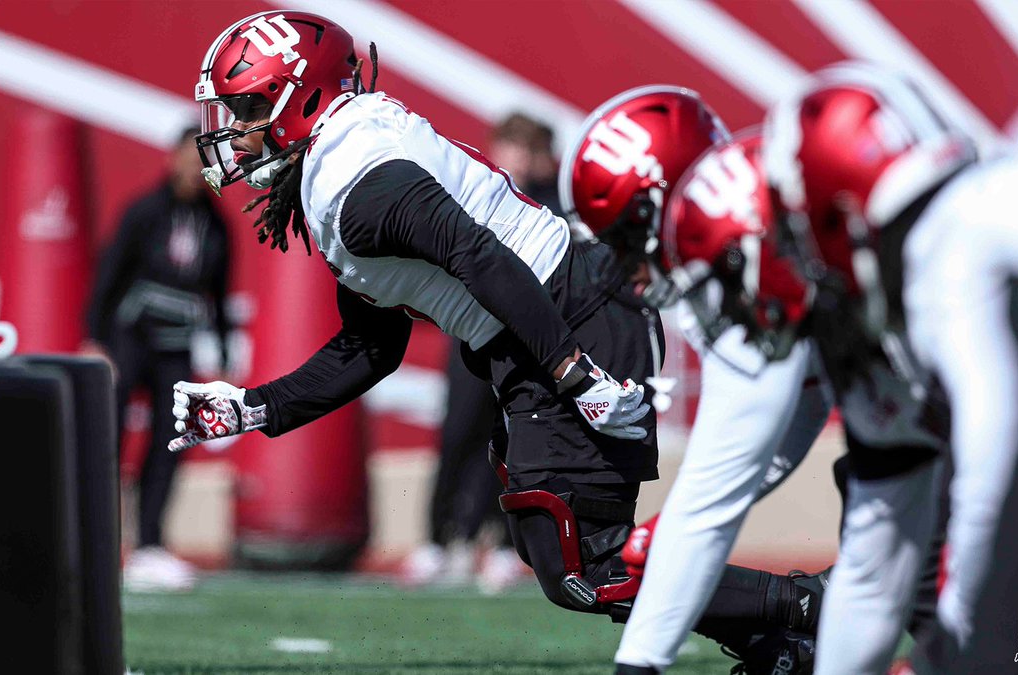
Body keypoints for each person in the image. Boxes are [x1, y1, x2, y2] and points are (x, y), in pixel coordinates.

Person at [171, 15, 821, 668]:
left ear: (304, 96)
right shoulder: (346, 155)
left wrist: (574, 371)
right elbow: (372, 344)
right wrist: (254, 406)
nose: (235, 129)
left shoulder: (357, 187)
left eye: (249, 107)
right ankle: (774, 645)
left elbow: (474, 251)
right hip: (551, 315)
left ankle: (814, 608)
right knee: (554, 544)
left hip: (564, 318)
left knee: (585, 564)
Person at [762, 63, 1018, 673]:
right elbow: (874, 566)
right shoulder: (973, 229)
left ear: (839, 210)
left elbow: (1000, 493)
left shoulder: (957, 261)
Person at [559, 89, 834, 675]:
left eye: (625, 237)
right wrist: (680, 519)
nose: (624, 265)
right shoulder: (753, 217)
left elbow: (718, 489)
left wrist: (639, 664)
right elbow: (798, 407)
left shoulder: (742, 252)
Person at [402, 113, 560, 593]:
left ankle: (494, 543)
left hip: (522, 342)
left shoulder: (549, 208)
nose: (520, 159)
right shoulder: (477, 191)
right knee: (457, 436)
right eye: (514, 147)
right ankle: (437, 539)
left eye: (528, 149)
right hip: (473, 332)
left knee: (509, 441)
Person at [85, 125, 232, 592]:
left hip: (178, 347)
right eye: (190, 158)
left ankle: (149, 546)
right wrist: (97, 341)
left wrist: (224, 353)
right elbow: (108, 275)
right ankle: (96, 541)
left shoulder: (217, 224)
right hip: (131, 339)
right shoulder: (143, 212)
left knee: (171, 442)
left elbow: (220, 295)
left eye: (205, 161)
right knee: (107, 439)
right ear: (171, 158)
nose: (196, 169)